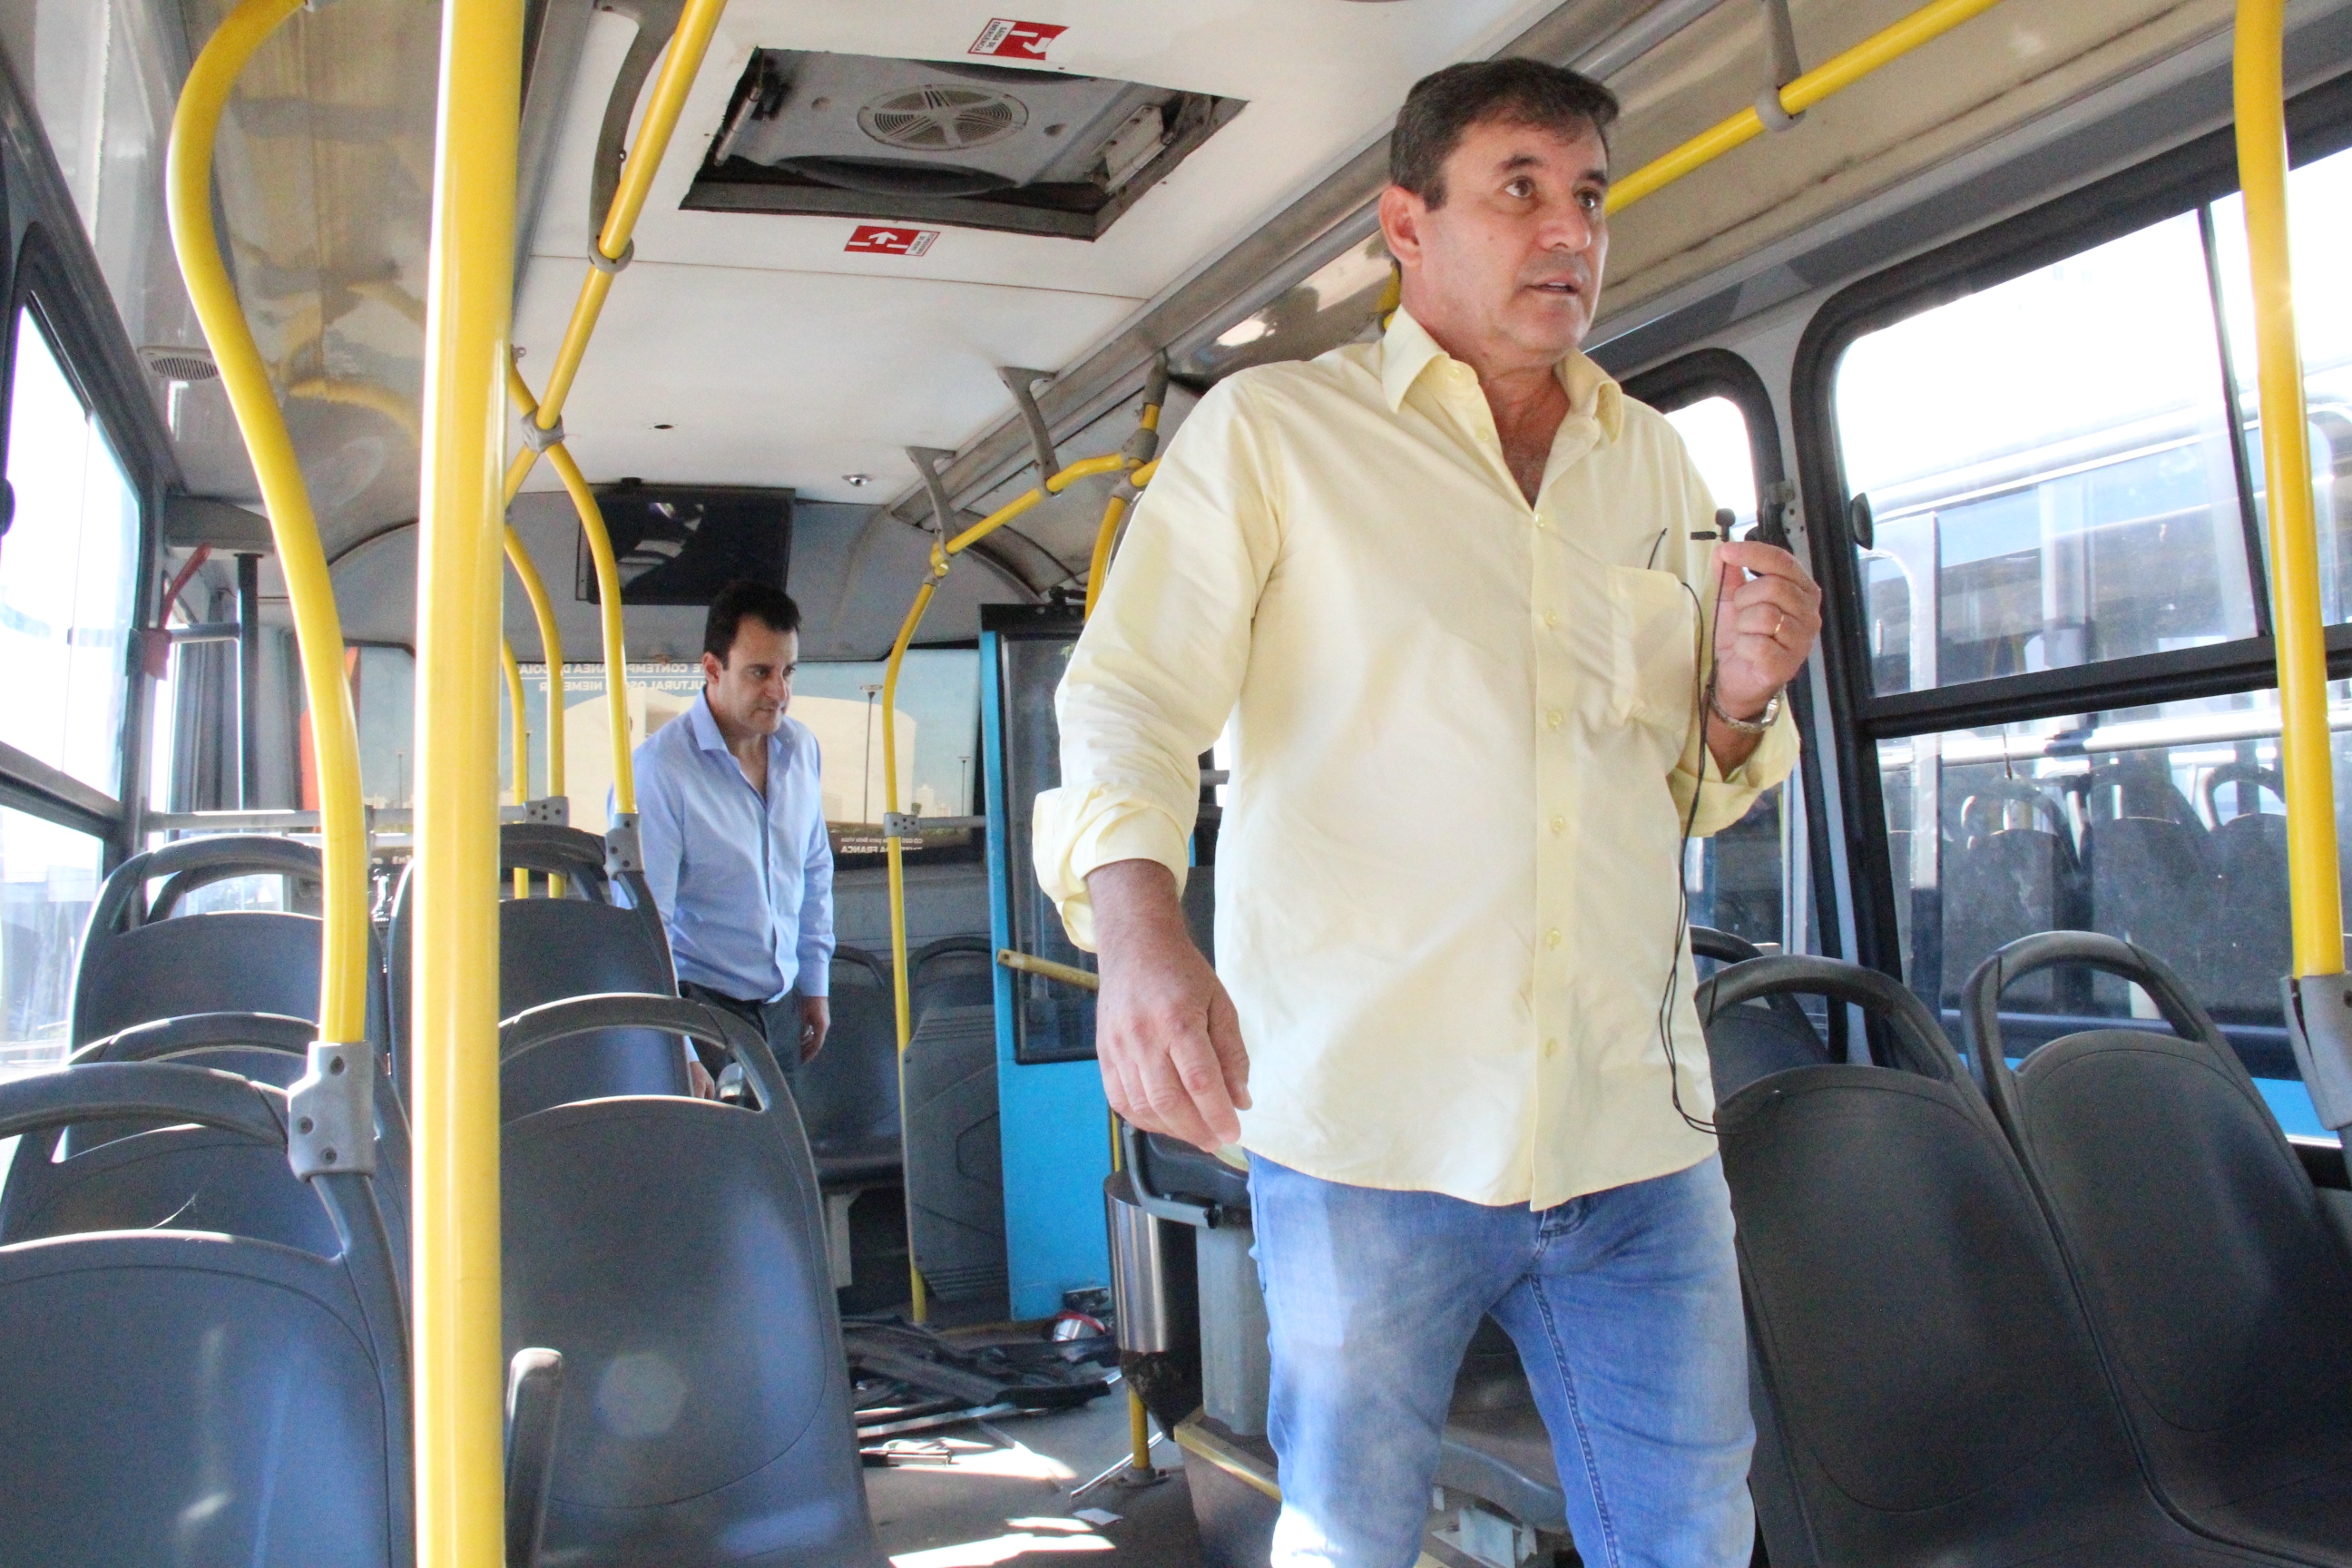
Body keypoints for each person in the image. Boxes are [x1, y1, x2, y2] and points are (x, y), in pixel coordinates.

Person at [1032, 58, 1823, 1568]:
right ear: (1407, 225)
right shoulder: (1274, 436)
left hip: (1631, 1131)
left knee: (1694, 1538)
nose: (1569, 232)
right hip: (1369, 1136)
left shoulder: (1654, 464)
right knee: (1354, 1536)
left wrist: (1737, 699)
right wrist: (1138, 941)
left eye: (1587, 196)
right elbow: (1129, 697)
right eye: (1519, 189)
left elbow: (1677, 785)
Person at [633, 580, 833, 1091]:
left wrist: (815, 982)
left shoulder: (800, 749)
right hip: (702, 1015)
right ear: (712, 669)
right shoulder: (661, 770)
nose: (780, 692)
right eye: (760, 672)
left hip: (783, 1006)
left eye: (788, 672)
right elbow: (645, 926)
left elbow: (813, 870)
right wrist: (678, 1048)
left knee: (787, 1144)